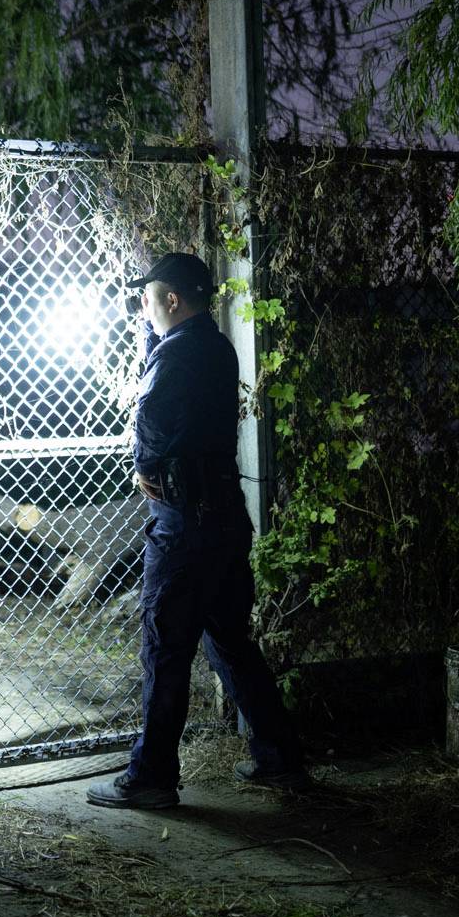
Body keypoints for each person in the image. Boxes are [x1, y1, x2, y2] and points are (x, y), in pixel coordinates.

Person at [87, 252, 309, 810]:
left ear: (173, 300)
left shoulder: (175, 357)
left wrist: (141, 463)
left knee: (166, 649)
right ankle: (278, 755)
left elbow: (151, 430)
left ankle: (152, 777)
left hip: (183, 522)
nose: (142, 304)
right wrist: (149, 337)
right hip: (224, 517)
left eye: (150, 296)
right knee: (230, 640)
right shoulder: (214, 347)